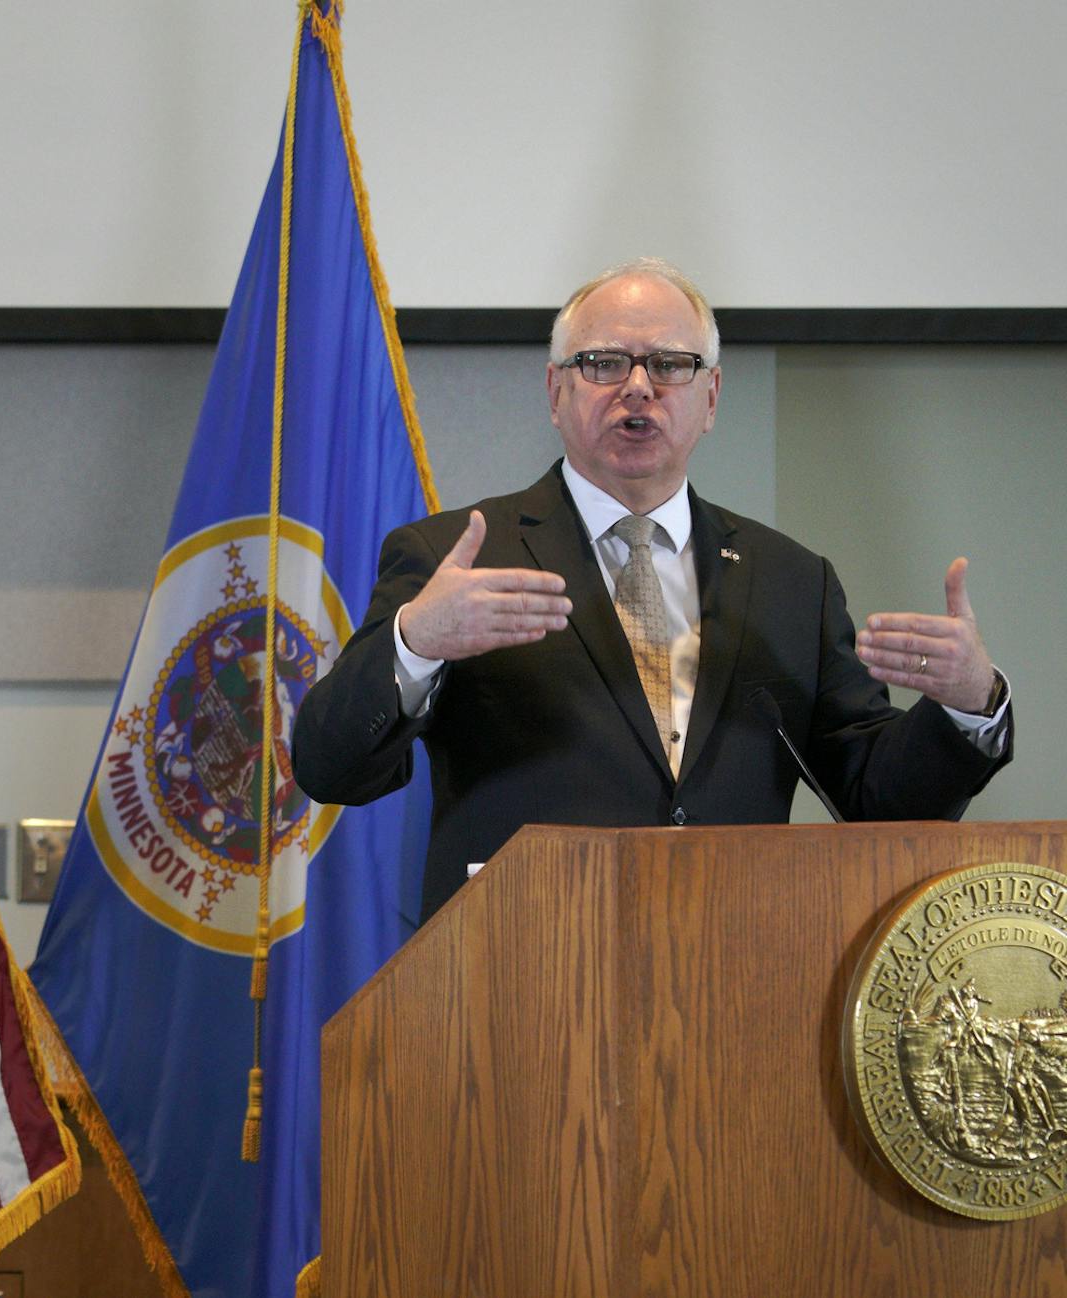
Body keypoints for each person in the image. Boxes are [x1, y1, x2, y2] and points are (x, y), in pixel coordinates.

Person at [290, 258, 1013, 920]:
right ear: (555, 389)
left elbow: (876, 800)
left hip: (735, 976)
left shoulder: (792, 580)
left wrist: (969, 706)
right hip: (516, 975)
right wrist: (415, 645)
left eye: (670, 364)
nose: (638, 386)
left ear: (711, 396)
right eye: (604, 362)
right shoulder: (454, 558)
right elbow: (329, 767)